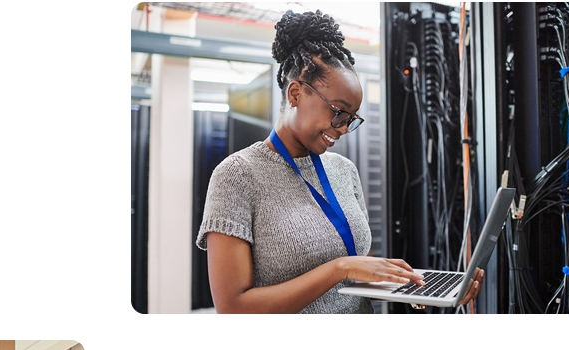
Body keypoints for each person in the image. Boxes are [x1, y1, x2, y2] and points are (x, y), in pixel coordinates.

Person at [199, 8, 484, 316]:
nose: (345, 128)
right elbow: (233, 309)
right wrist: (340, 268)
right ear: (295, 94)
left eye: (351, 118)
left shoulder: (343, 171)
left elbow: (358, 278)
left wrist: (414, 287)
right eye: (339, 112)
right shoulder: (236, 176)